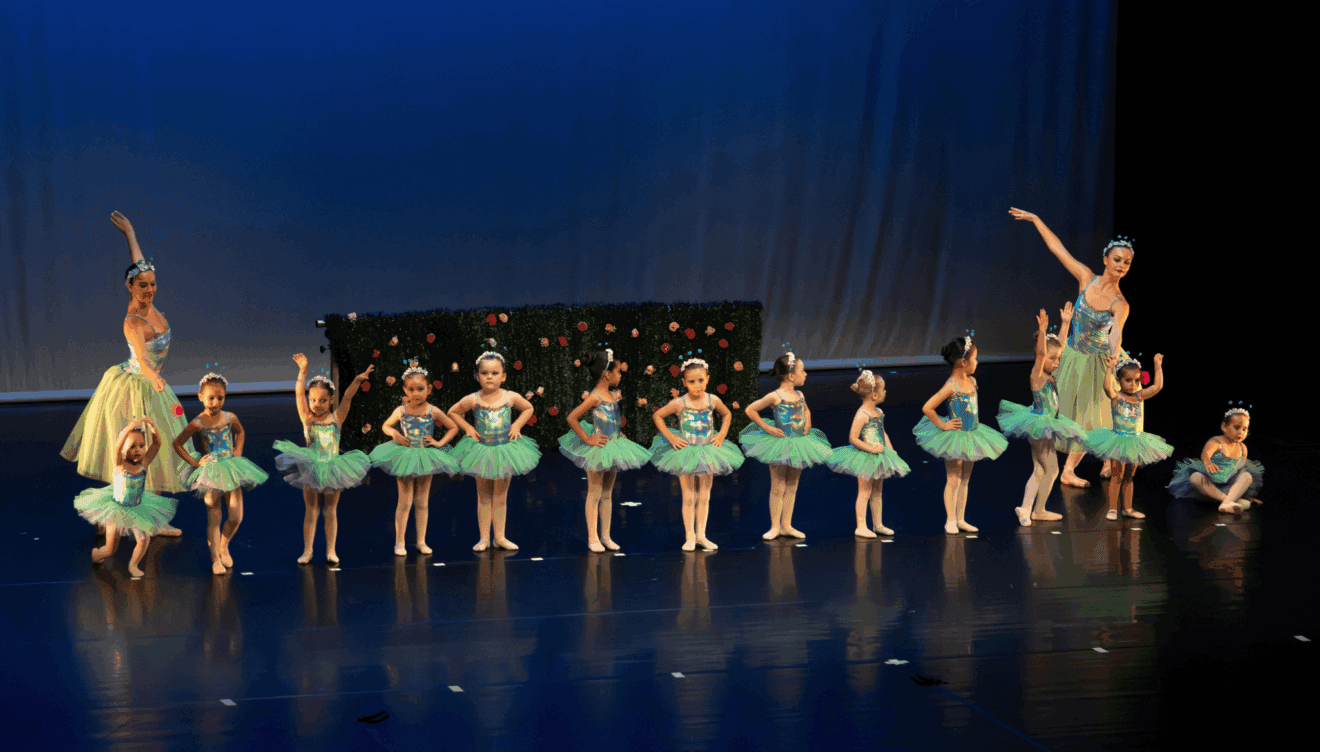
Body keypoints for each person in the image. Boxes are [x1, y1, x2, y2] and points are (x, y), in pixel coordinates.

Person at [61, 212, 196, 535]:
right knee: (135, 450)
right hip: (135, 385)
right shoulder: (134, 320)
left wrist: (131, 234)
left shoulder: (146, 292)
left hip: (151, 386)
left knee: (156, 450)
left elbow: (139, 264)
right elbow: (143, 359)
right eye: (143, 285)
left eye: (153, 284)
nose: (149, 289)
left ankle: (149, 517)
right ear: (130, 287)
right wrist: (155, 378)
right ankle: (114, 515)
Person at [1010, 208, 1135, 487]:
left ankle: (1079, 467)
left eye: (1127, 262)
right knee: (1076, 414)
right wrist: (1036, 220)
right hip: (1073, 354)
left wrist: (1113, 361)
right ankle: (1087, 465)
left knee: (1098, 413)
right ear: (1105, 259)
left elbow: (1116, 337)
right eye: (1117, 259)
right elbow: (1058, 249)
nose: (1121, 265)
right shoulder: (1086, 277)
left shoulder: (1120, 303)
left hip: (1098, 360)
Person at [274, 354, 372, 564]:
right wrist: (303, 370)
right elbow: (298, 393)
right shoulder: (307, 418)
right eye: (313, 400)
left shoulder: (336, 418)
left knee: (330, 510)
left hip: (333, 469)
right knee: (311, 511)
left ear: (331, 400)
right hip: (311, 469)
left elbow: (347, 398)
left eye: (323, 400)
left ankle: (331, 551)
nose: (317, 404)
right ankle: (307, 551)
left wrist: (357, 381)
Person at [996, 306, 1088, 526]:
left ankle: (1027, 508)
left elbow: (1059, 347)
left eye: (1058, 359)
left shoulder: (1049, 372)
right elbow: (1042, 354)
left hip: (1042, 425)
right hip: (1040, 426)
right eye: (1052, 359)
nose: (1056, 363)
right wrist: (1043, 331)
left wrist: (1065, 323)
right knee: (1052, 470)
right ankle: (1037, 510)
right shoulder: (1037, 375)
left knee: (1039, 469)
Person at [912, 333, 1008, 535]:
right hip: (954, 437)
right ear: (962, 362)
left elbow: (972, 406)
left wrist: (976, 419)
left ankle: (961, 519)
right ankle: (950, 520)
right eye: (974, 359)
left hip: (971, 435)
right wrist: (942, 424)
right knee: (953, 479)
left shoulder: (972, 381)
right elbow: (928, 407)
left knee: (965, 479)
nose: (977, 362)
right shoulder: (951, 386)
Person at [173, 372, 268, 574]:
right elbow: (177, 444)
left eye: (220, 398)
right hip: (211, 473)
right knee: (214, 516)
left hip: (231, 468)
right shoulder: (197, 423)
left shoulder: (229, 417)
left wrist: (238, 450)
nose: (216, 402)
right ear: (200, 396)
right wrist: (195, 462)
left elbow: (240, 431)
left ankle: (224, 544)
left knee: (236, 516)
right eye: (211, 398)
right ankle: (215, 558)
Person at [559, 350, 652, 552]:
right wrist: (587, 439)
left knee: (608, 493)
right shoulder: (595, 397)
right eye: (618, 372)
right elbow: (572, 417)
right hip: (599, 448)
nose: (620, 375)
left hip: (614, 446)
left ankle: (606, 536)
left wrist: (618, 434)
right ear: (607, 374)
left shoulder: (610, 395)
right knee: (594, 493)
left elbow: (612, 421)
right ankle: (593, 538)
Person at [447, 352, 540, 552]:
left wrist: (517, 425)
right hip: (481, 451)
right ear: (477, 376)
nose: (489, 377)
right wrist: (467, 428)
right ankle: (483, 538)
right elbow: (453, 412)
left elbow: (528, 408)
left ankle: (499, 537)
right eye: (484, 373)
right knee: (483, 496)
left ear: (503, 376)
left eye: (495, 373)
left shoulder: (510, 397)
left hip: (504, 451)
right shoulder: (473, 399)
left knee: (500, 496)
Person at [650, 358, 744, 551]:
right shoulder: (680, 403)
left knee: (704, 496)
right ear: (684, 382)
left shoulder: (712, 400)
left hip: (708, 452)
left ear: (707, 379)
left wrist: (722, 434)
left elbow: (727, 414)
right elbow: (658, 415)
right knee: (689, 496)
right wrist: (671, 437)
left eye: (701, 380)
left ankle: (701, 535)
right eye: (691, 382)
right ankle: (690, 537)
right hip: (686, 452)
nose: (697, 385)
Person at [740, 349, 833, 540]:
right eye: (802, 370)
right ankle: (775, 527)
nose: (805, 374)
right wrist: (768, 428)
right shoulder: (775, 396)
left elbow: (806, 411)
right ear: (791, 376)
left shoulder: (800, 394)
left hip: (799, 444)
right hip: (780, 445)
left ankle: (787, 525)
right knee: (778, 485)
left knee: (792, 485)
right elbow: (750, 410)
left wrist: (808, 423)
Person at [369, 365, 461, 556]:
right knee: (404, 502)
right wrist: (394, 433)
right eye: (411, 389)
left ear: (429, 389)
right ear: (405, 390)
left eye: (420, 389)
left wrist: (439, 443)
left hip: (425, 456)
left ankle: (421, 541)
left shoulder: (433, 410)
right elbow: (386, 425)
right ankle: (400, 543)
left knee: (422, 502)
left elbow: (453, 427)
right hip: (405, 456)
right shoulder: (401, 410)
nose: (416, 393)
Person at [74, 418, 178, 578]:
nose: (138, 450)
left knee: (144, 539)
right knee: (110, 549)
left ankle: (133, 564)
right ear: (123, 449)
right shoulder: (119, 465)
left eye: (141, 446)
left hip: (137, 508)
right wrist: (129, 427)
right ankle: (97, 554)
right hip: (117, 509)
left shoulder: (144, 463)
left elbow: (157, 444)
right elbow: (116, 447)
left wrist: (152, 426)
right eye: (132, 447)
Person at [1083, 354, 1171, 520]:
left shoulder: (1139, 396)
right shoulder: (1117, 397)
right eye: (1128, 380)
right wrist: (1109, 368)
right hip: (1119, 440)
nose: (1133, 384)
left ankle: (1127, 508)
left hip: (1135, 440)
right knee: (1117, 475)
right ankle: (1112, 509)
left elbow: (1157, 386)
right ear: (1119, 380)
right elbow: (1107, 388)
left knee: (1130, 476)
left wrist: (1157, 365)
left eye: (1136, 380)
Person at [826, 369, 910, 537]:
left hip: (879, 456)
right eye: (883, 390)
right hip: (865, 456)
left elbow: (883, 432)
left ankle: (878, 525)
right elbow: (853, 438)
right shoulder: (862, 414)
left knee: (877, 492)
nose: (885, 392)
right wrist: (871, 449)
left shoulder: (879, 413)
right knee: (864, 492)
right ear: (874, 395)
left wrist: (890, 449)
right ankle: (861, 526)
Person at [1167, 404, 1262, 513]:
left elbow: (1241, 470)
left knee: (1247, 476)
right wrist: (1208, 463)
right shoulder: (1216, 442)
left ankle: (1227, 503)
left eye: (1244, 429)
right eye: (1237, 427)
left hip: (1229, 486)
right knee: (1195, 477)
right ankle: (1229, 501)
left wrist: (1246, 494)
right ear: (1224, 427)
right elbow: (1205, 454)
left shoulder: (1243, 448)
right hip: (1211, 487)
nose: (1241, 432)